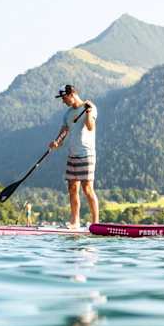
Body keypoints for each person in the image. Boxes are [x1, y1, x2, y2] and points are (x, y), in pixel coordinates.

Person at [48, 84, 99, 229]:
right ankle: (74, 222)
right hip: (72, 154)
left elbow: (90, 127)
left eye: (64, 98)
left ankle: (96, 223)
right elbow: (64, 130)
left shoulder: (90, 107)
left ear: (71, 94)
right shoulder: (68, 114)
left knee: (87, 188)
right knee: (72, 188)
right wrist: (57, 141)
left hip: (86, 154)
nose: (63, 101)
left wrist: (88, 112)